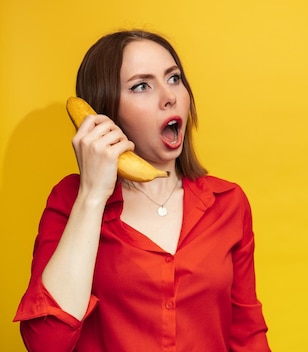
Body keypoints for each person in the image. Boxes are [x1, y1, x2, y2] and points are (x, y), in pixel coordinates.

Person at [14, 29, 271, 352]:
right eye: (141, 86)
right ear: (105, 114)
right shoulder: (70, 201)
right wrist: (92, 197)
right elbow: (46, 343)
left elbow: (247, 335)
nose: (169, 96)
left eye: (174, 78)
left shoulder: (228, 203)